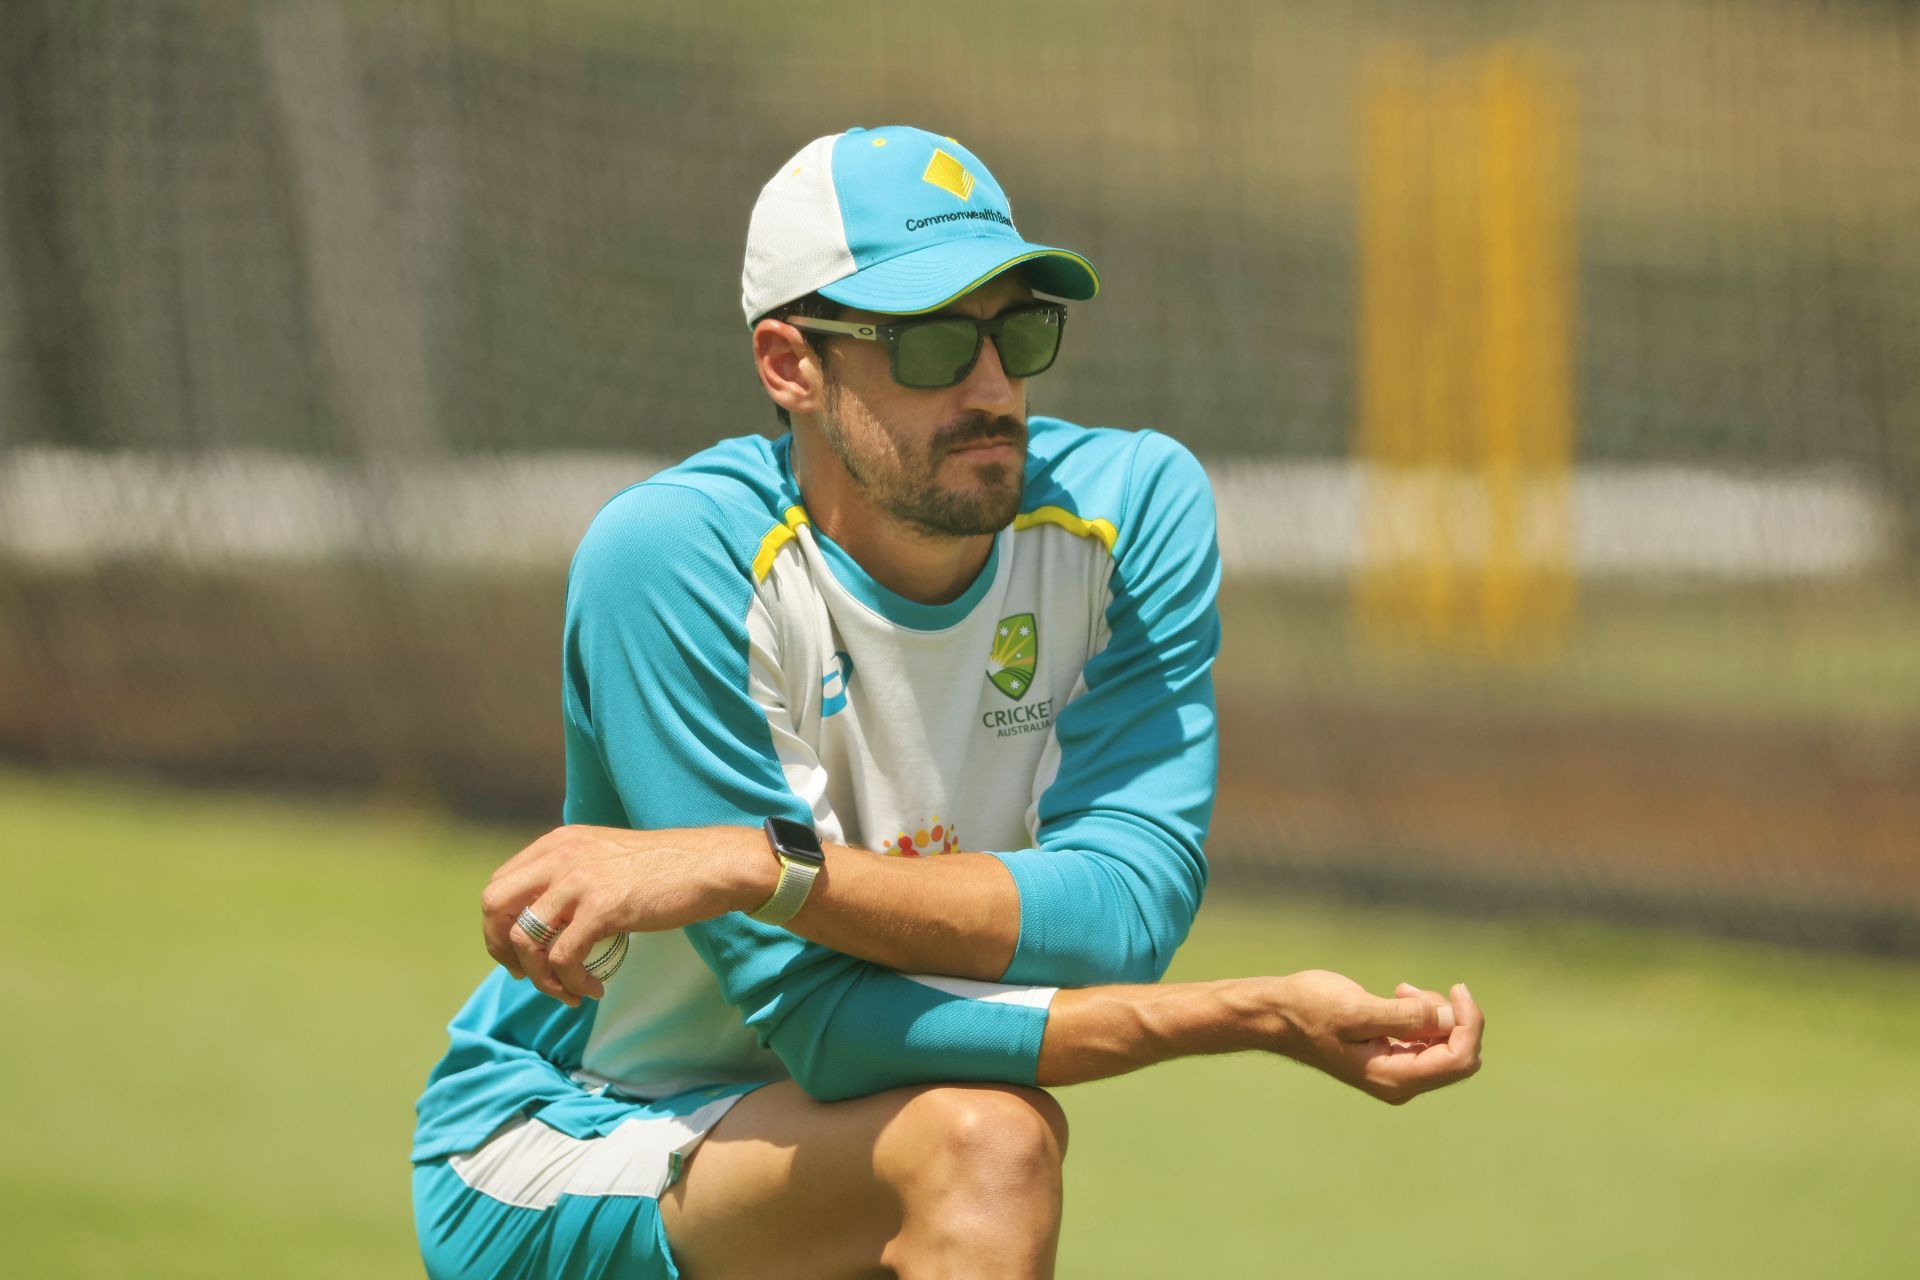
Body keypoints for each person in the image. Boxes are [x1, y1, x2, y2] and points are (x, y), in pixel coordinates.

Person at [411, 124, 1484, 1280]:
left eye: (1018, 331)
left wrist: (758, 865)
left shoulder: (1133, 513)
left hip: (845, 1145)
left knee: (980, 1135)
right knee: (986, 1142)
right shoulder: (672, 558)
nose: (991, 388)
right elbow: (821, 1024)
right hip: (583, 1134)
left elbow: (1124, 909)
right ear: (789, 363)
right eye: (929, 344)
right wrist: (1249, 1012)